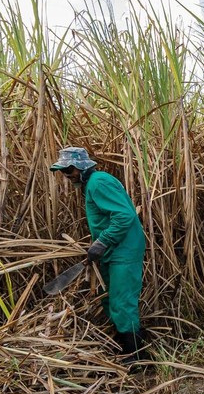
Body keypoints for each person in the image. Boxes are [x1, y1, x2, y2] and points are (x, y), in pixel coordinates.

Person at [51, 147, 147, 364]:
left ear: (81, 167)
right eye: (63, 171)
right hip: (113, 250)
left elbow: (124, 216)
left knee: (121, 301)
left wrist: (103, 241)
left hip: (123, 250)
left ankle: (136, 357)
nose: (66, 175)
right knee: (109, 298)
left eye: (69, 170)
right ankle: (125, 346)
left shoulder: (98, 182)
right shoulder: (91, 185)